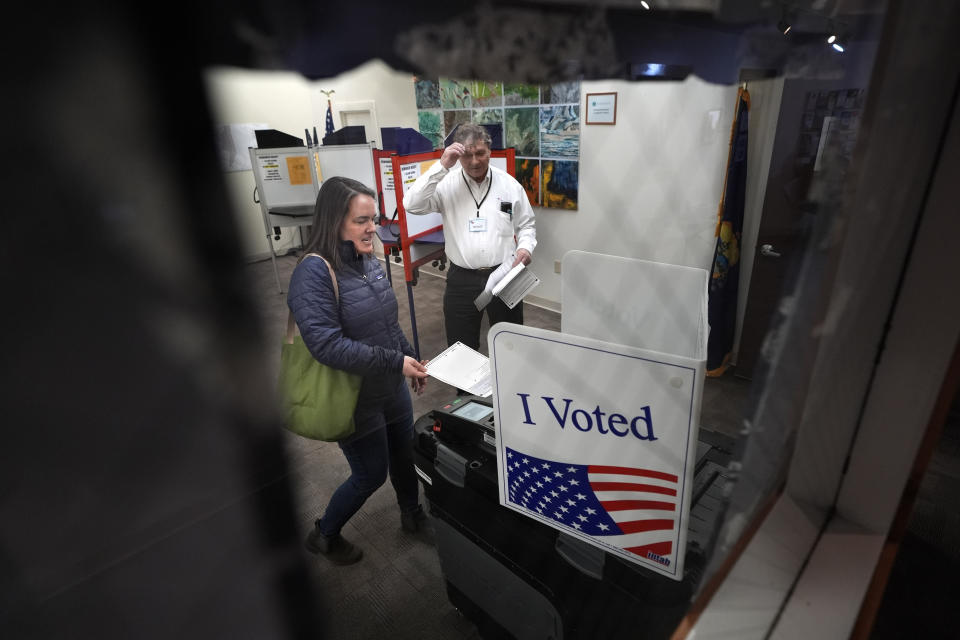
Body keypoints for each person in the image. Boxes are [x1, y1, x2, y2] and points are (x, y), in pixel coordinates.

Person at [287, 176, 430, 565]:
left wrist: (409, 358)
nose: (373, 228)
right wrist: (394, 362)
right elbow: (327, 345)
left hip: (390, 386)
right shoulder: (313, 273)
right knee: (369, 475)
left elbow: (387, 322)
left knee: (404, 454)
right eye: (362, 221)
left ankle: (412, 514)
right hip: (354, 398)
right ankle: (324, 534)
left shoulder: (369, 260)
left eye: (375, 218)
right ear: (335, 222)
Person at [403, 123, 537, 353]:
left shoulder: (509, 185)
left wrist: (525, 248)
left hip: (505, 275)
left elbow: (527, 225)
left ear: (490, 152)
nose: (474, 161)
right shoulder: (446, 184)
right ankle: (465, 392)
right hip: (461, 280)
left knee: (511, 345)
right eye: (467, 155)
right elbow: (411, 205)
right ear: (458, 155)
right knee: (461, 348)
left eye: (480, 153)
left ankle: (509, 388)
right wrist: (442, 165)